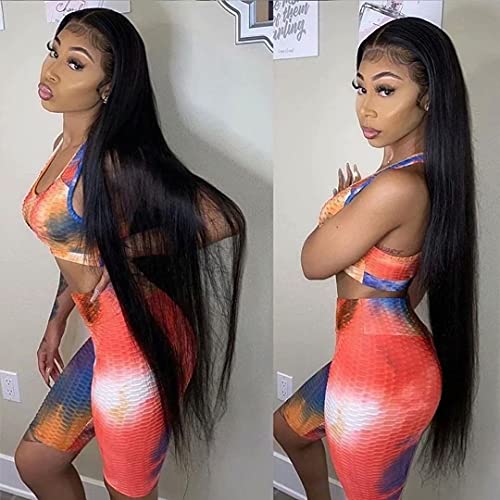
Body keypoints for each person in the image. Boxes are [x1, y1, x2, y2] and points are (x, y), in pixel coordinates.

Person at [15, 8, 246, 500]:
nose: (51, 70)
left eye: (75, 63)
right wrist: (57, 321)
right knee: (36, 461)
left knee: (128, 490)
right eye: (54, 52)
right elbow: (74, 246)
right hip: (109, 333)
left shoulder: (112, 159)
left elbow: (225, 219)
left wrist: (130, 247)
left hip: (141, 347)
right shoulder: (64, 145)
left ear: (108, 87)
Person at [274, 17, 478, 500]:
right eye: (360, 87)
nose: (365, 106)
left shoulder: (397, 187)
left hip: (380, 377)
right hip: (371, 356)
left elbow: (312, 262)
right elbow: (409, 285)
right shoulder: (407, 176)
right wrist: (349, 210)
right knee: (288, 429)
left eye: (385, 90)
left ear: (427, 98)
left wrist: (335, 213)